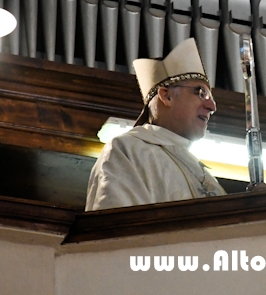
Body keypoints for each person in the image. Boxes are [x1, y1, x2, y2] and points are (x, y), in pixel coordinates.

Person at [86, 38, 226, 211]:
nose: (212, 106)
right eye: (201, 93)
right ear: (166, 96)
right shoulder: (127, 150)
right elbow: (116, 222)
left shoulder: (204, 174)